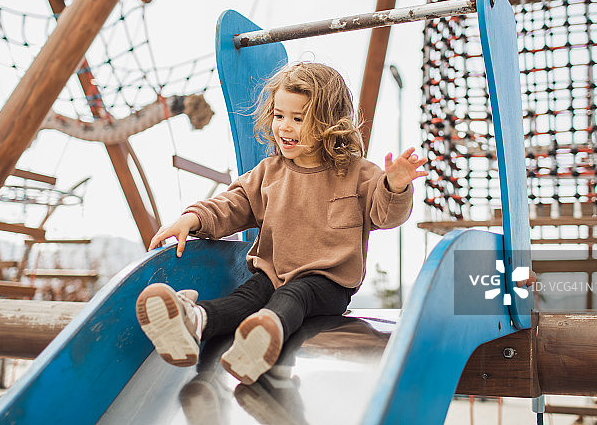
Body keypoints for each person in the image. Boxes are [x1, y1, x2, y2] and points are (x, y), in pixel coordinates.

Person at [135, 61, 427, 385]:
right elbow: (234, 204)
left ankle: (262, 339)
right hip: (273, 274)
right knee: (245, 298)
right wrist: (192, 218)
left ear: (328, 123)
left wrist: (396, 185)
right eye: (279, 115)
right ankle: (194, 322)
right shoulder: (270, 172)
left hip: (327, 283)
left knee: (295, 296)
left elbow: (386, 214)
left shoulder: (356, 173)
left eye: (298, 118)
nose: (285, 127)